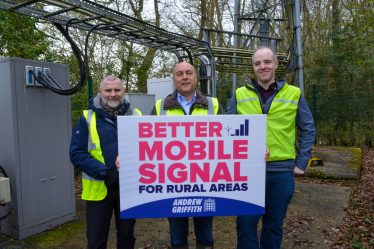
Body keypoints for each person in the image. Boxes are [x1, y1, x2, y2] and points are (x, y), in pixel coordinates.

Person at [227, 46, 316, 249]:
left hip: (282, 173)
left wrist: (301, 162)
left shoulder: (294, 93)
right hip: (248, 172)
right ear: (253, 67)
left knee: (273, 226)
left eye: (267, 62)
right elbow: (228, 132)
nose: (262, 66)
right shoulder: (239, 94)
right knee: (245, 224)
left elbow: (308, 128)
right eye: (258, 63)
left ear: (276, 64)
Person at [151, 62, 225, 249]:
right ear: (174, 79)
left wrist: (253, 152)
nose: (184, 77)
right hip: (172, 183)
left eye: (189, 73)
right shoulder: (159, 108)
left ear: (195, 77)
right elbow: (146, 144)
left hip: (206, 182)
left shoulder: (213, 105)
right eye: (179, 74)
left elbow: (231, 140)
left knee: (206, 237)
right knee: (177, 240)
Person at [70, 75, 142, 249]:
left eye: (117, 90)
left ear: (124, 91)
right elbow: (77, 154)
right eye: (108, 90)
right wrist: (106, 173)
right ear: (100, 92)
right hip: (99, 190)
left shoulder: (136, 115)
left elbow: (147, 148)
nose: (113, 94)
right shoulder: (87, 118)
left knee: (126, 238)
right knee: (96, 241)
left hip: (128, 188)